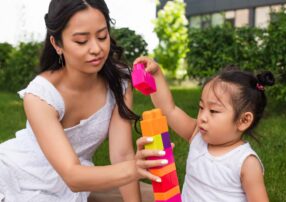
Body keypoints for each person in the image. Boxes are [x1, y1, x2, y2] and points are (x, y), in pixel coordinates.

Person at [0, 1, 166, 201]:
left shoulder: (119, 83)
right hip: (18, 174)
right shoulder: (40, 96)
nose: (96, 48)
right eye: (81, 41)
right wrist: (135, 168)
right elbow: (72, 175)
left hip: (76, 181)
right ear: (57, 44)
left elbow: (122, 155)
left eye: (102, 36)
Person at [134, 56, 275, 202]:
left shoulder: (246, 162)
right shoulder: (196, 134)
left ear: (244, 121)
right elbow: (169, 109)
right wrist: (156, 74)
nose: (202, 117)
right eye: (201, 107)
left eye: (213, 111)